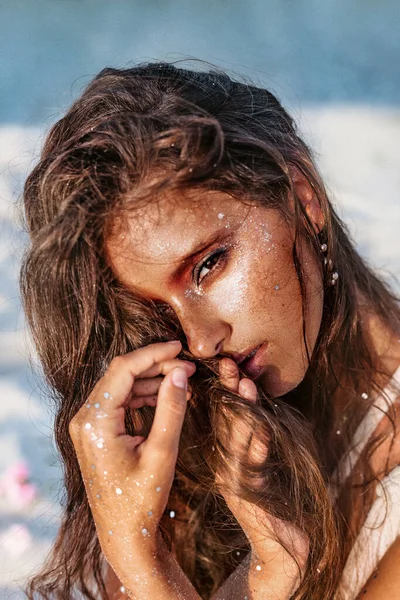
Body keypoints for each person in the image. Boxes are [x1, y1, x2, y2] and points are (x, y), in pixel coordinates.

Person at [20, 60, 400, 600]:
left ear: (303, 197)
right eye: (159, 311)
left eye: (208, 266)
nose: (199, 341)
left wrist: (146, 564)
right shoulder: (211, 438)